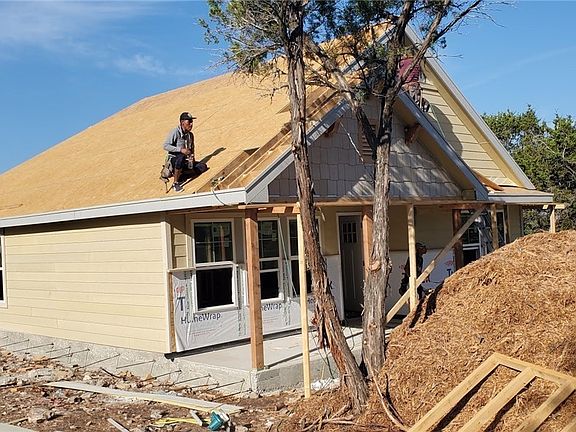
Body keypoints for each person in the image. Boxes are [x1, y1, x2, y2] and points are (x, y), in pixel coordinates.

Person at [162, 112, 207, 193]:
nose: (191, 124)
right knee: (181, 157)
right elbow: (165, 146)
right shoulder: (175, 132)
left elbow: (192, 149)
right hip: (174, 160)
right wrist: (180, 150)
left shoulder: (190, 135)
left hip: (185, 161)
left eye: (192, 122)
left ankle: (181, 176)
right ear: (182, 122)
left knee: (202, 166)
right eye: (189, 122)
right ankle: (175, 183)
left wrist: (192, 159)